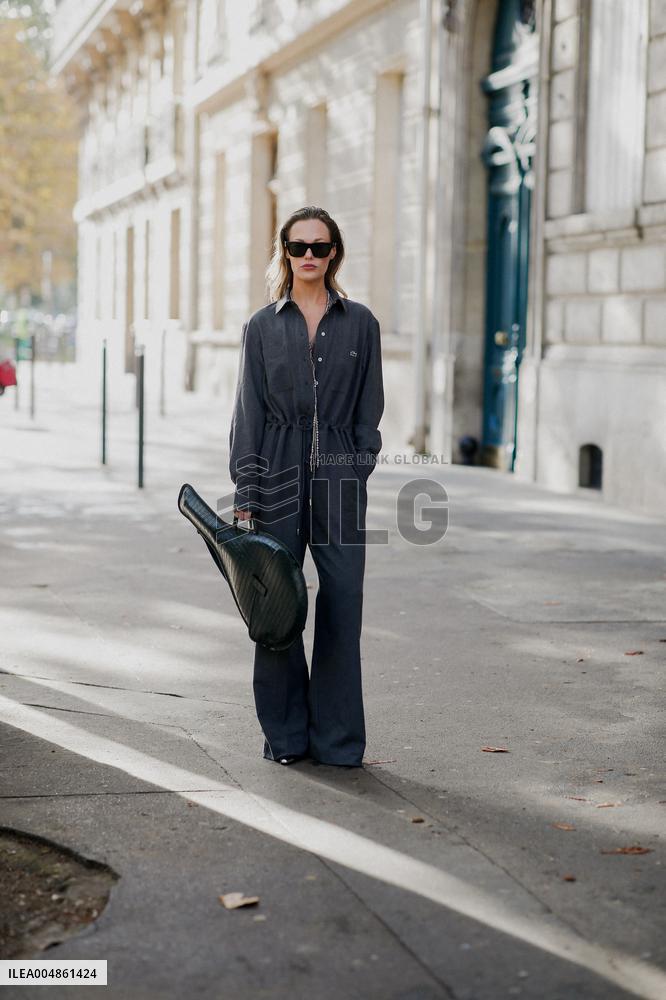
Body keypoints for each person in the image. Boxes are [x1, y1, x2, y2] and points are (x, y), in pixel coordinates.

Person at [228, 206, 384, 768]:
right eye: (299, 247)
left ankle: (338, 742)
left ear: (335, 252)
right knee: (278, 611)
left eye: (320, 247)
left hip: (340, 475)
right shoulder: (262, 326)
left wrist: (358, 462)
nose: (310, 257)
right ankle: (287, 737)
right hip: (276, 472)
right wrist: (247, 494)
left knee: (343, 602)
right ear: (285, 253)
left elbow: (371, 406)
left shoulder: (361, 323)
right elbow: (247, 415)